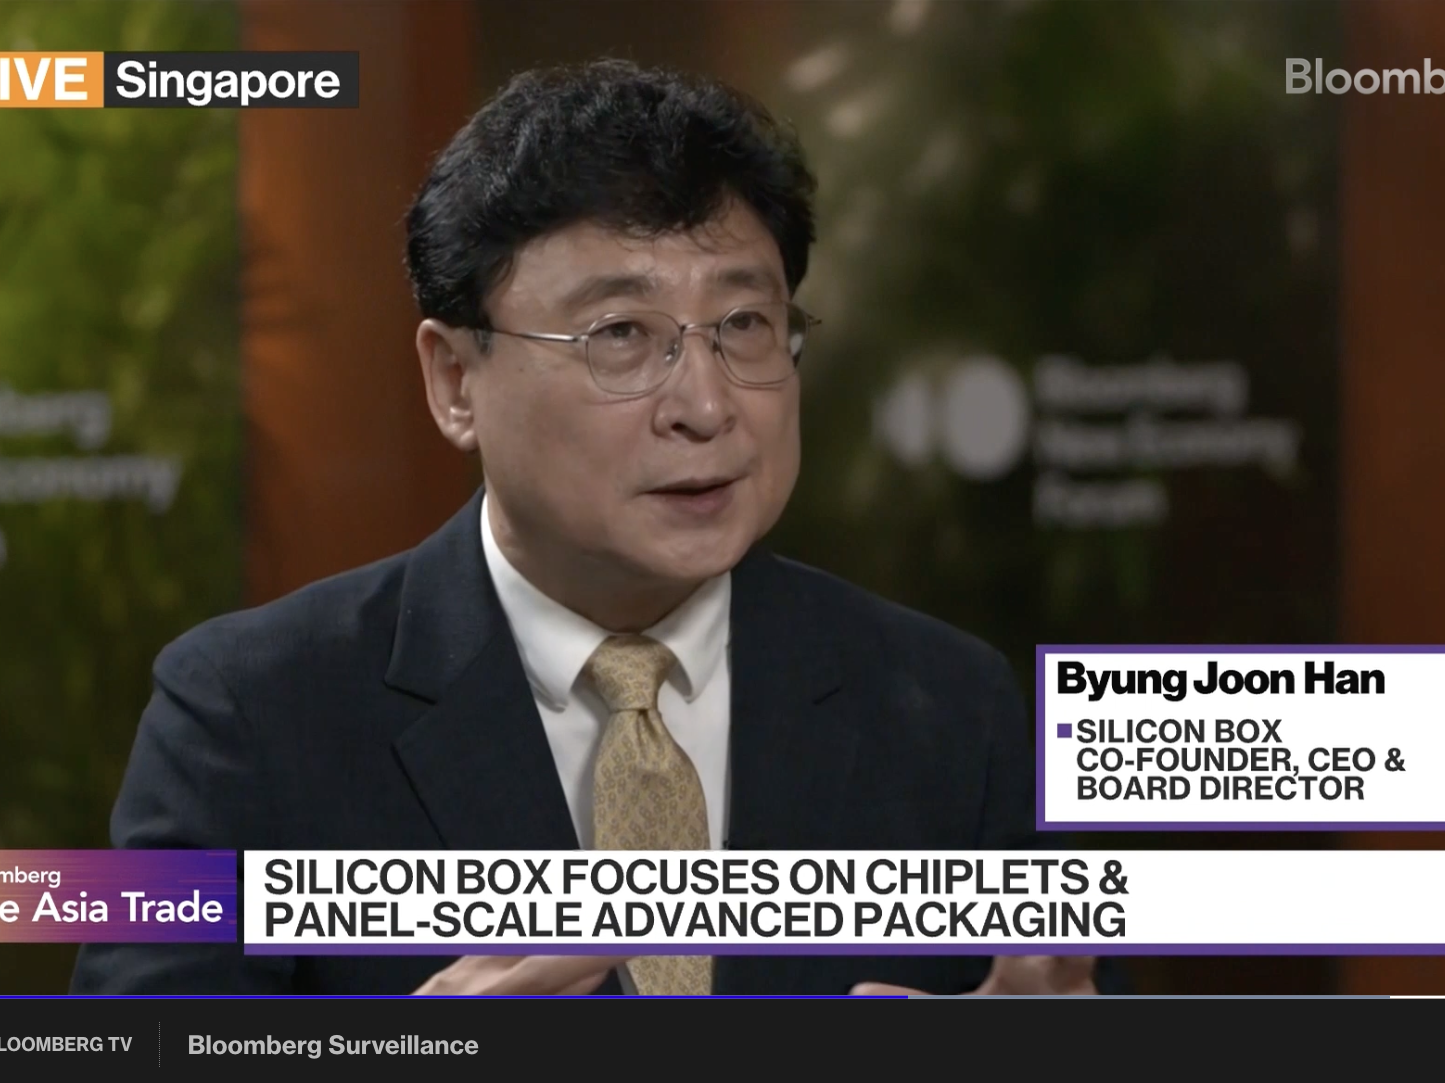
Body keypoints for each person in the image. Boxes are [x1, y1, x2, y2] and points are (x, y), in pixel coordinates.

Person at [71, 59, 1095, 997]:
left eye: (744, 325)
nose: (705, 405)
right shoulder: (248, 715)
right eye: (621, 335)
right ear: (454, 379)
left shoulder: (949, 709)